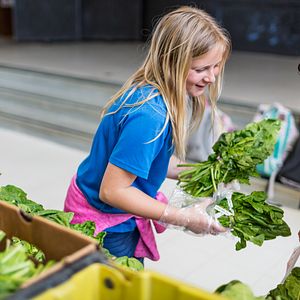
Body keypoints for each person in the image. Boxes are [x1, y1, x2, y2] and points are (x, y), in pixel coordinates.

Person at [64, 6, 231, 264]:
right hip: (106, 224)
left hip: (111, 212)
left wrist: (202, 172)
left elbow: (151, 161)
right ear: (172, 63)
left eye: (216, 66)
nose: (210, 77)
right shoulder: (150, 115)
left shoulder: (154, 95)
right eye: (201, 69)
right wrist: (181, 216)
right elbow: (113, 191)